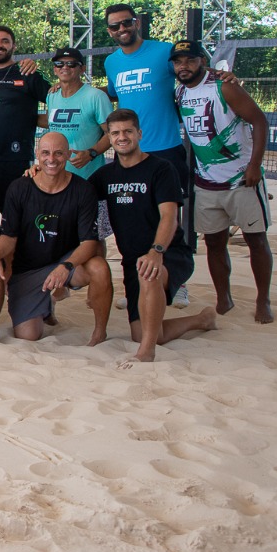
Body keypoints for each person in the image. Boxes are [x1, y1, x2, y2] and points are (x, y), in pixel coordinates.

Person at [92, 109, 217, 364]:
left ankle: (146, 353)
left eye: (127, 131)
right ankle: (201, 320)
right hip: (132, 260)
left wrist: (156, 251)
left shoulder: (161, 169)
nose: (121, 137)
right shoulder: (105, 176)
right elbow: (72, 193)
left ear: (139, 133)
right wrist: (35, 173)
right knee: (144, 333)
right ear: (109, 138)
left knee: (148, 272)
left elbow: (170, 216)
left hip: (168, 253)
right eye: (115, 133)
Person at [173, 40, 274, 323]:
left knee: (257, 240)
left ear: (202, 62)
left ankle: (263, 300)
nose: (184, 66)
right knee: (214, 243)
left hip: (243, 179)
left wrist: (255, 165)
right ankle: (223, 298)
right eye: (178, 61)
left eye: (190, 60)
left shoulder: (224, 86)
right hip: (205, 183)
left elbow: (260, 121)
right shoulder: (179, 92)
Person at [0, 131, 112, 343]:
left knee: (99, 267)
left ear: (69, 154)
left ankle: (100, 332)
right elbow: (8, 236)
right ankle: (46, 304)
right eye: (45, 153)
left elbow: (89, 242)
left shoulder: (83, 190)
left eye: (59, 153)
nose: (51, 159)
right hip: (28, 270)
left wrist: (67, 266)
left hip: (65, 263)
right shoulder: (19, 187)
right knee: (28, 334)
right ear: (37, 153)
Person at [102, 3, 189, 195]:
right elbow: (112, 92)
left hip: (166, 149)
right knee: (132, 212)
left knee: (169, 213)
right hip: (128, 149)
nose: (122, 29)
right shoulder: (111, 62)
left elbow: (191, 72)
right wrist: (70, 87)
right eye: (115, 26)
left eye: (126, 23)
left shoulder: (165, 51)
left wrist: (218, 74)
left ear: (137, 23)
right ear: (110, 31)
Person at [0, 26, 50, 204]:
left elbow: (60, 102)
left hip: (16, 159)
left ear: (13, 46)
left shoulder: (29, 74)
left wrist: (33, 119)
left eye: (4, 41)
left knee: (15, 213)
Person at [45, 46, 115, 240]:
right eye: (59, 64)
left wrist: (91, 152)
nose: (64, 67)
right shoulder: (52, 95)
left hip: (89, 180)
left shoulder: (96, 97)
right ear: (55, 69)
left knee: (94, 237)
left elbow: (112, 133)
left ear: (82, 69)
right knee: (62, 235)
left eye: (71, 64)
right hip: (58, 180)